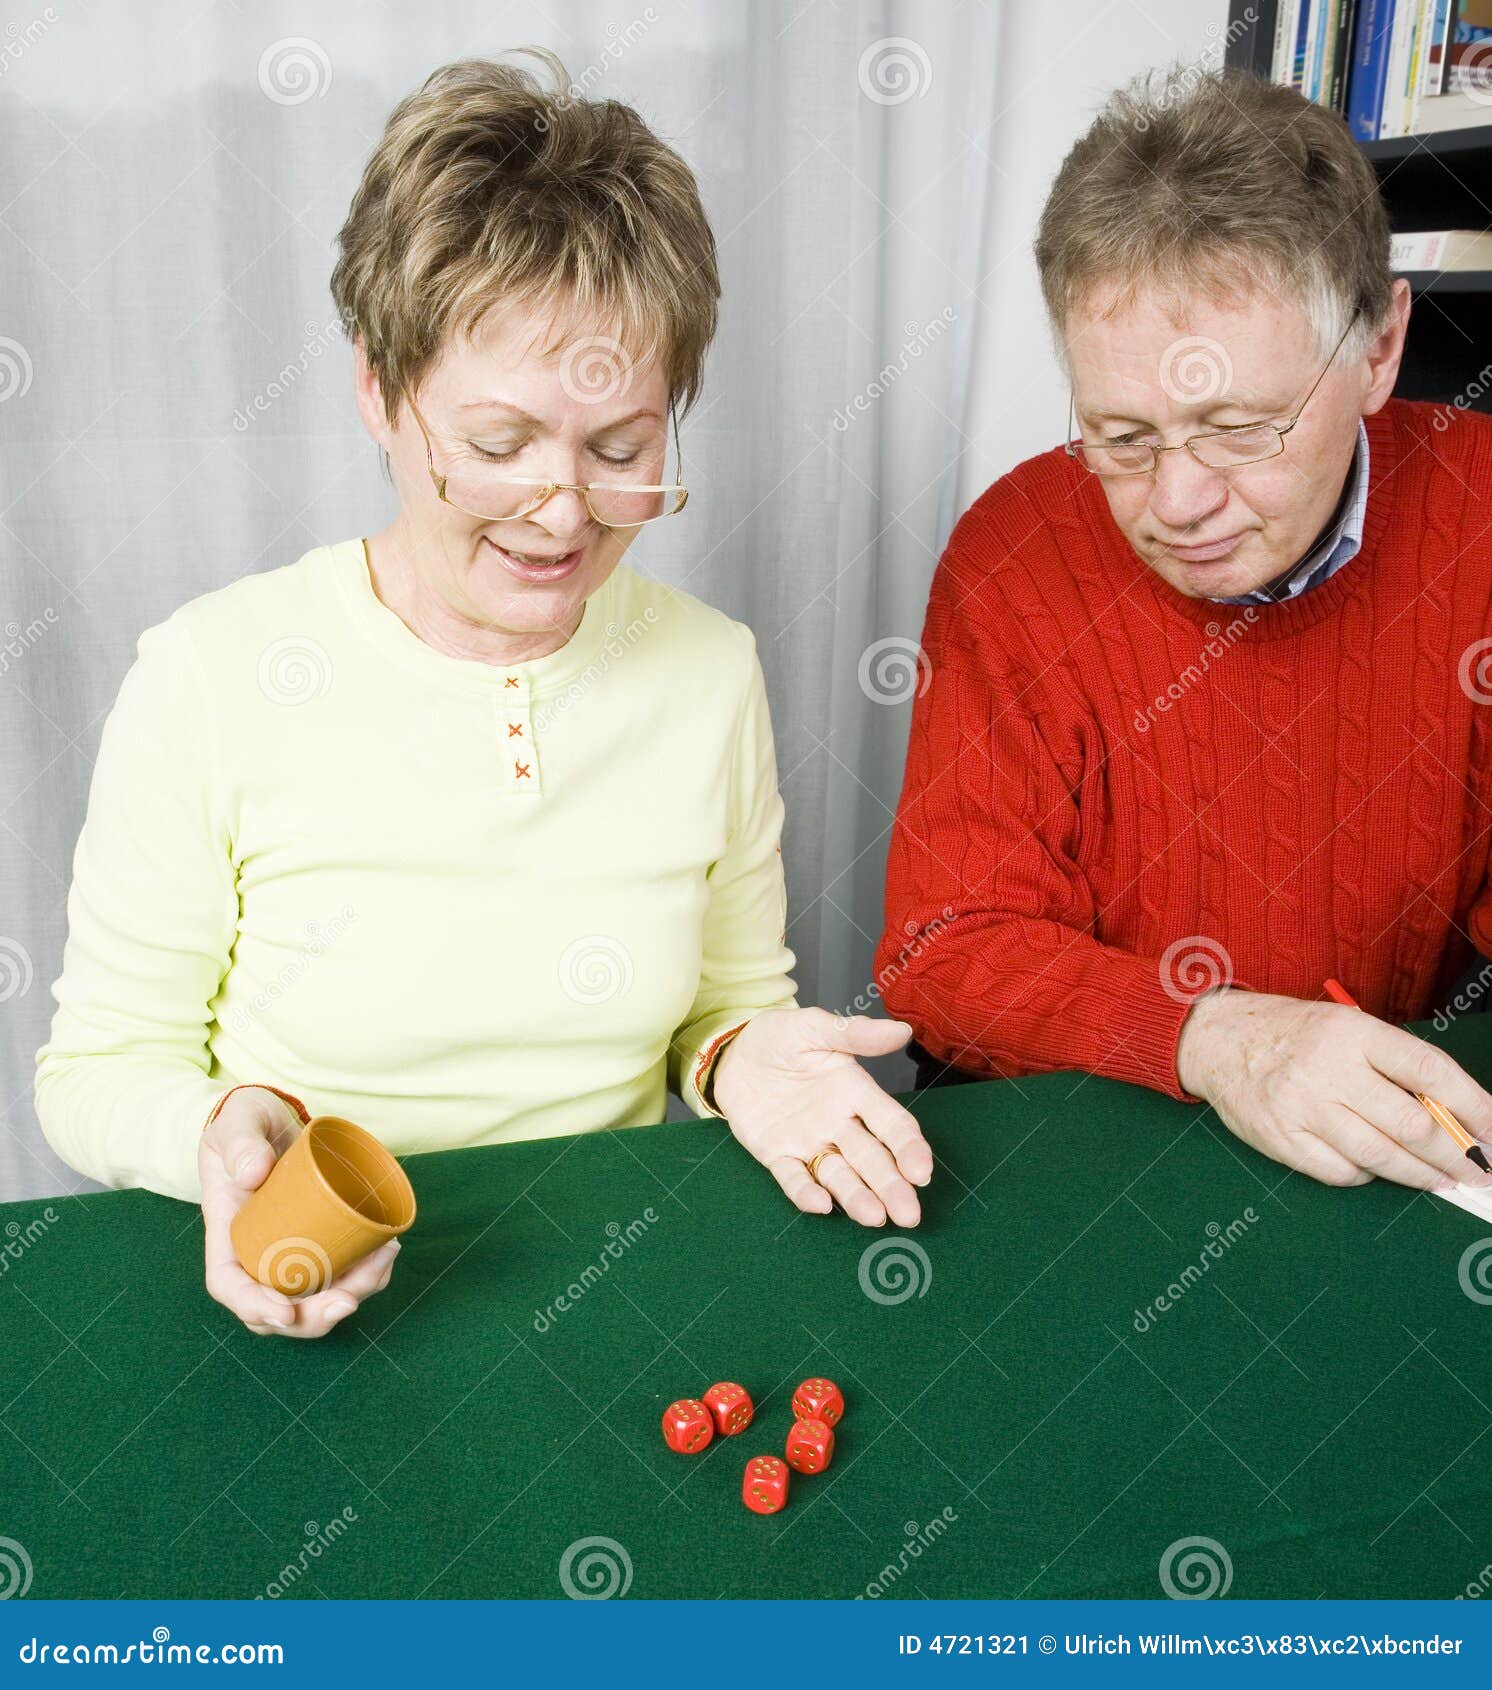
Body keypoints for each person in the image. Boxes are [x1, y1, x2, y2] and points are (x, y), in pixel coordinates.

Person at [34, 52, 931, 1340]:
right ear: (378, 391)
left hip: (600, 1301)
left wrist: (747, 1062)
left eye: (620, 447)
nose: (561, 511)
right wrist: (216, 1130)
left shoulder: (709, 669)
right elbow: (96, 1074)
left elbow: (724, 1006)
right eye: (499, 446)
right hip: (316, 1303)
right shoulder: (207, 676)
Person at [878, 67, 1492, 1196]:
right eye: (1119, 435)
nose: (1175, 503)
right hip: (1067, 1148)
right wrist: (1219, 1039)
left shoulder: (1480, 513)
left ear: (1379, 350)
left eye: (1238, 429)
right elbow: (945, 948)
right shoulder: (1016, 545)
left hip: (1368, 1151)